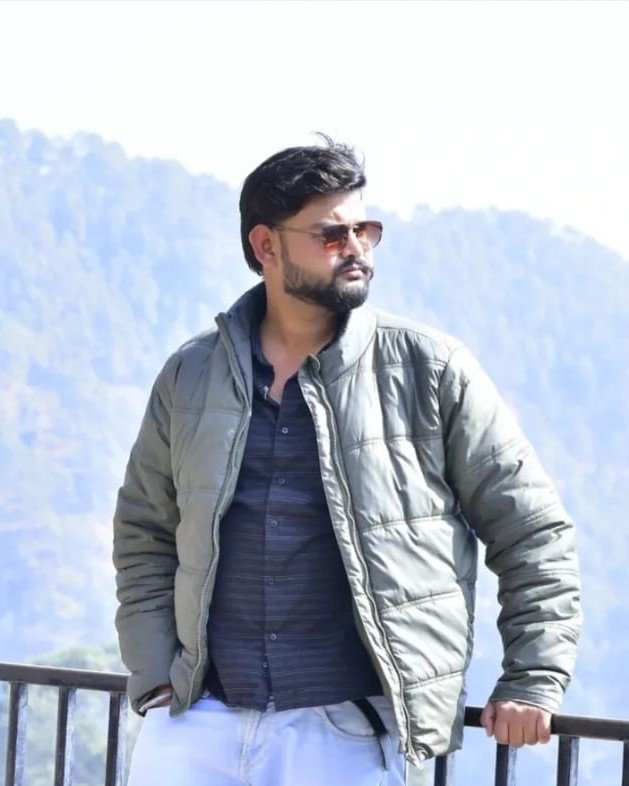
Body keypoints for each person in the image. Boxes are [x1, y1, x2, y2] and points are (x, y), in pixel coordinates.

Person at [112, 136, 581, 786]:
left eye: (365, 229)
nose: (355, 248)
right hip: (196, 724)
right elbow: (144, 533)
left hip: (348, 738)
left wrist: (531, 678)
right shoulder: (191, 375)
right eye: (330, 234)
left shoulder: (430, 370)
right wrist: (157, 677)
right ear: (265, 246)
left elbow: (532, 533)